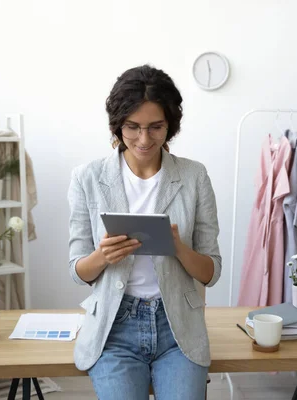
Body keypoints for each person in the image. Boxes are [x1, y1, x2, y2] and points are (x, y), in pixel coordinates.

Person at [67, 64, 222, 400]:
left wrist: (179, 247)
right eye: (132, 127)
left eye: (156, 127)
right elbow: (78, 270)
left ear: (170, 126)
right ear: (117, 125)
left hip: (177, 327)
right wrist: (102, 256)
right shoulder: (88, 178)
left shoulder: (194, 177)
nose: (144, 139)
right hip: (114, 328)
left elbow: (211, 272)